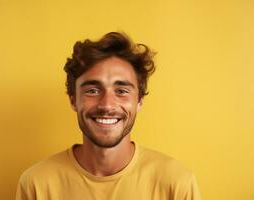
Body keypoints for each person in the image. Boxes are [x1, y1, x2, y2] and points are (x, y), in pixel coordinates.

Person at [15, 32, 201, 200]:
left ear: (139, 101)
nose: (107, 105)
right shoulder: (36, 184)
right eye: (93, 90)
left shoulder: (176, 183)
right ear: (73, 100)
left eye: (121, 90)